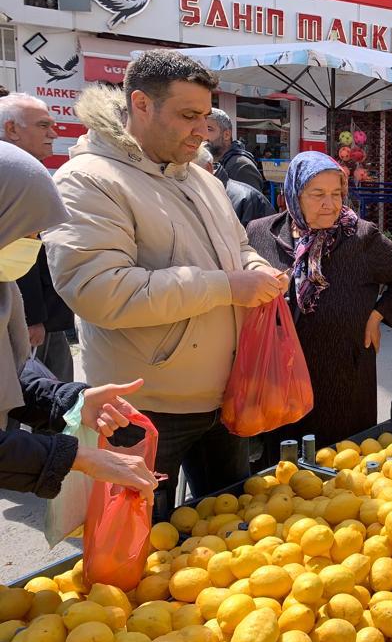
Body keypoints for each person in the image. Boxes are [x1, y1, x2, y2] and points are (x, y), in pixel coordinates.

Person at [44, 50, 285, 520]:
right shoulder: (88, 180)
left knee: (231, 536)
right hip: (142, 409)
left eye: (206, 116)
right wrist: (226, 286)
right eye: (189, 116)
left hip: (224, 398)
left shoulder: (202, 177)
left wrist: (258, 270)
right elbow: (99, 292)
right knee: (138, 546)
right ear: (141, 104)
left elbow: (238, 245)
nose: (203, 129)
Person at [0, 141, 157, 500]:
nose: (33, 243)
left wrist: (69, 401)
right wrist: (78, 457)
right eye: (26, 230)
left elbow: (11, 368)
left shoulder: (3, 288)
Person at [247, 152, 392, 446]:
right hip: (278, 373)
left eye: (336, 193)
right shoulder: (261, 232)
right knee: (282, 465)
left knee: (340, 462)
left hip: (343, 372)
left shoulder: (360, 236)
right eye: (317, 194)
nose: (330, 204)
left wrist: (378, 315)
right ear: (293, 194)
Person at [0, 93, 75, 382]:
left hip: (43, 318)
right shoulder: (11, 179)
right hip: (28, 320)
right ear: (12, 129)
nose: (53, 134)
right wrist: (31, 317)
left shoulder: (28, 174)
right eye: (43, 126)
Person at [194, 144, 275, 226]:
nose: (182, 177)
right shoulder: (189, 196)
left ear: (208, 168)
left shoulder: (248, 199)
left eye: (188, 170)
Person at [207, 108, 266, 194]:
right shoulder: (216, 162)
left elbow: (252, 205)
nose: (203, 134)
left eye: (209, 129)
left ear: (226, 135)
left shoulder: (241, 166)